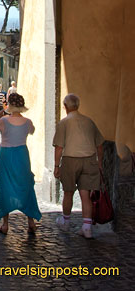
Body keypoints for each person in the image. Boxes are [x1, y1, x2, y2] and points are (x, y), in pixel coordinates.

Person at [0, 92, 41, 235]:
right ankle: (31, 222)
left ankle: (5, 224)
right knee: (26, 185)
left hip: (6, 155)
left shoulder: (4, 121)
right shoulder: (27, 122)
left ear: (9, 105)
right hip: (21, 154)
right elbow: (32, 131)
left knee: (3, 186)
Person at [53, 93, 104, 239]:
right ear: (78, 106)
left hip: (70, 160)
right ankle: (87, 227)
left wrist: (57, 166)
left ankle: (65, 221)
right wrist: (99, 162)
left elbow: (59, 147)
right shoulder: (89, 121)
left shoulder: (63, 123)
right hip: (89, 160)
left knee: (68, 192)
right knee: (85, 195)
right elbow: (100, 145)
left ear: (65, 107)